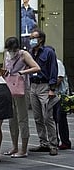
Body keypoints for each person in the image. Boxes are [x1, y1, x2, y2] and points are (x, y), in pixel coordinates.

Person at [2, 37, 40, 158]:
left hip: (21, 88)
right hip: (9, 87)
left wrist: (22, 73)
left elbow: (37, 67)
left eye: (13, 49)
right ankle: (14, 147)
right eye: (9, 49)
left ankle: (23, 149)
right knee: (11, 118)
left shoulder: (24, 54)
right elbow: (5, 68)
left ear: (17, 48)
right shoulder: (6, 54)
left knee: (22, 118)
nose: (11, 52)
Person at [28, 28, 59, 156]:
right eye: (30, 38)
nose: (31, 40)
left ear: (40, 39)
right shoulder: (30, 53)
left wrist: (52, 89)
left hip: (45, 86)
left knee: (48, 117)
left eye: (33, 38)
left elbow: (53, 70)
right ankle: (43, 143)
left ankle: (53, 144)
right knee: (37, 117)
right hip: (33, 86)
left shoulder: (49, 52)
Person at [53, 59, 72, 150]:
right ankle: (55, 140)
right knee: (52, 119)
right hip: (53, 95)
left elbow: (59, 78)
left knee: (61, 118)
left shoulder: (58, 63)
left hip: (61, 95)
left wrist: (50, 86)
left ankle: (65, 141)